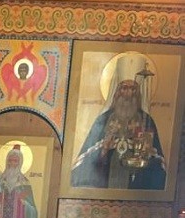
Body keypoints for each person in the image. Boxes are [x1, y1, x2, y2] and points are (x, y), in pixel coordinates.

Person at [71, 52, 166, 190]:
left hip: (136, 188)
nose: (128, 94)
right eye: (124, 88)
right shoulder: (103, 120)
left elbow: (158, 165)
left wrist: (145, 151)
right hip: (105, 186)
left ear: (138, 93)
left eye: (133, 89)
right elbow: (85, 164)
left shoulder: (147, 121)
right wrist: (104, 150)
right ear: (117, 91)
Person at [0, 144, 38, 218]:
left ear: (20, 163)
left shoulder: (24, 183)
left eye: (15, 161)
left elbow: (32, 209)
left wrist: (23, 204)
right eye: (10, 161)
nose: (12, 164)